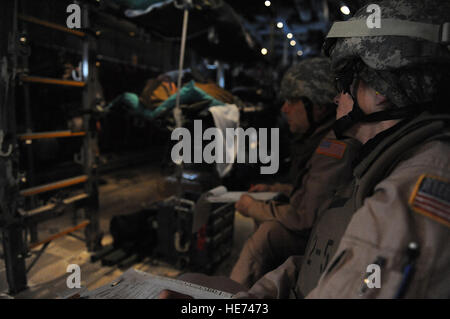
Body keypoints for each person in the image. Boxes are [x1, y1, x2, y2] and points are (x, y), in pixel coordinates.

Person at [234, 0, 450, 298]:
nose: (336, 98)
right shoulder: (387, 165)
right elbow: (326, 264)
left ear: (380, 91)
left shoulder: (405, 199)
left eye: (344, 81)